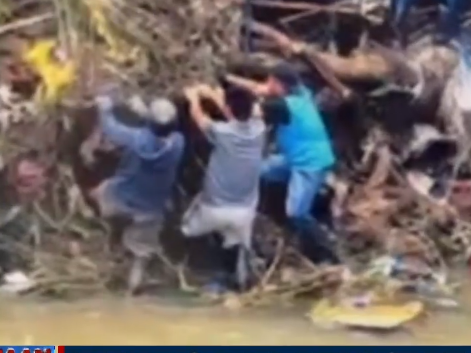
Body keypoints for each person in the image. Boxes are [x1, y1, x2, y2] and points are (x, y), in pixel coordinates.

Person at [226, 63, 341, 267]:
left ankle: (325, 248)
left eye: (271, 81)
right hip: (296, 157)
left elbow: (243, 113)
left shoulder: (282, 107)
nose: (267, 84)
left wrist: (215, 95)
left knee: (296, 212)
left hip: (308, 164)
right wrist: (229, 78)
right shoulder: (302, 93)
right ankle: (264, 213)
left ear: (279, 85)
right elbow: (259, 88)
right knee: (258, 171)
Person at [91, 94, 186, 294]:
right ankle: (131, 292)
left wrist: (105, 107)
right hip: (150, 212)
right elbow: (160, 134)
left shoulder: (135, 138)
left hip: (119, 200)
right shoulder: (179, 143)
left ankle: (108, 230)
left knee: (99, 191)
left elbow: (111, 129)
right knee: (140, 258)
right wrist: (145, 113)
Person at [181, 82, 267, 292]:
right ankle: (238, 277)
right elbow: (239, 113)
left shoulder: (222, 132)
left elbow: (199, 118)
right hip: (245, 213)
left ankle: (201, 264)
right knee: (234, 240)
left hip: (213, 211)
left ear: (228, 110)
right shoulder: (260, 130)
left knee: (186, 229)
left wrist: (194, 97)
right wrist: (214, 95)